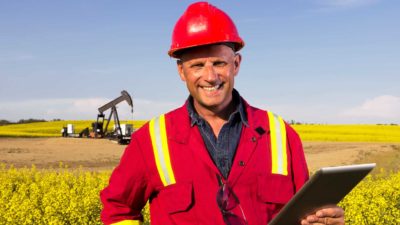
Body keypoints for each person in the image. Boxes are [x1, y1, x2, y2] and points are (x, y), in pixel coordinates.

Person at [100, 2, 345, 225]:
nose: (210, 76)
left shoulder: (281, 135)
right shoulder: (150, 140)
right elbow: (118, 210)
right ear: (181, 72)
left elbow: (302, 216)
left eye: (219, 63)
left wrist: (323, 221)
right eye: (197, 65)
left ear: (236, 64)